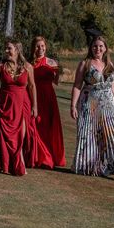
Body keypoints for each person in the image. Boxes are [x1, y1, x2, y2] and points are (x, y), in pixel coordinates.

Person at [71, 36, 114, 179]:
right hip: (90, 104)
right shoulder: (85, 64)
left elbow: (112, 86)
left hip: (109, 104)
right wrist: (73, 105)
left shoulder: (109, 64)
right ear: (90, 48)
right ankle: (93, 166)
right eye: (95, 46)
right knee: (91, 136)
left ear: (105, 48)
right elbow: (77, 86)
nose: (97, 49)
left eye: (100, 46)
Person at [0, 39, 37, 176]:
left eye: (9, 48)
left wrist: (35, 106)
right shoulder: (0, 66)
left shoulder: (28, 67)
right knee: (5, 137)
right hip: (4, 105)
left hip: (22, 105)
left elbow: (32, 86)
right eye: (5, 48)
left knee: (20, 137)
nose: (6, 51)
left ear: (17, 50)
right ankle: (7, 164)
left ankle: (19, 162)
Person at [30, 36, 65, 168]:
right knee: (37, 126)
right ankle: (40, 156)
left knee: (49, 127)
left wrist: (58, 72)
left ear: (46, 47)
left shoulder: (52, 62)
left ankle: (51, 155)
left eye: (42, 46)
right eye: (38, 46)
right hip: (35, 97)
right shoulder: (30, 63)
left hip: (49, 97)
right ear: (34, 48)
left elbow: (56, 82)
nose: (40, 48)